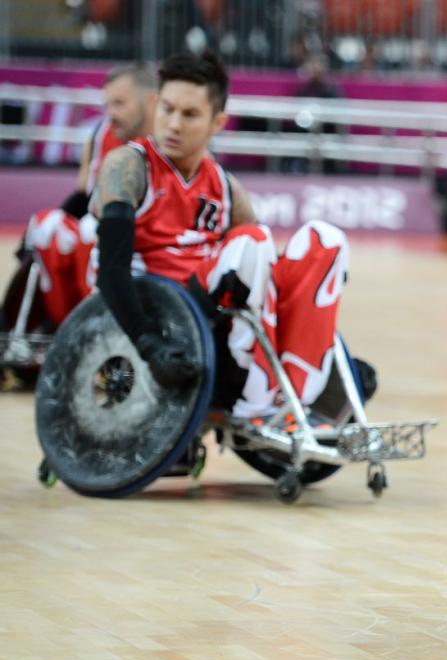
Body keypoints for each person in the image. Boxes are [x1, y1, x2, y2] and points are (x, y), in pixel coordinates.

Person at [91, 49, 349, 420]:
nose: (174, 124)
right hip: (165, 309)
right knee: (253, 241)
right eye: (167, 109)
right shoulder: (128, 166)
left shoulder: (226, 188)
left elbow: (266, 283)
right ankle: (257, 399)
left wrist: (347, 368)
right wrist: (148, 344)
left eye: (190, 114)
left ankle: (308, 383)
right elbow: (110, 270)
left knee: (326, 240)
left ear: (217, 122)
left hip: (220, 314)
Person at [19, 64, 157, 328]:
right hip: (105, 228)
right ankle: (59, 326)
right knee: (48, 226)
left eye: (119, 104)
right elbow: (85, 193)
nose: (110, 114)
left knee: (90, 231)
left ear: (150, 102)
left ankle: (95, 325)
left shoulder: (172, 140)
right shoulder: (103, 135)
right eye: (108, 105)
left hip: (149, 240)